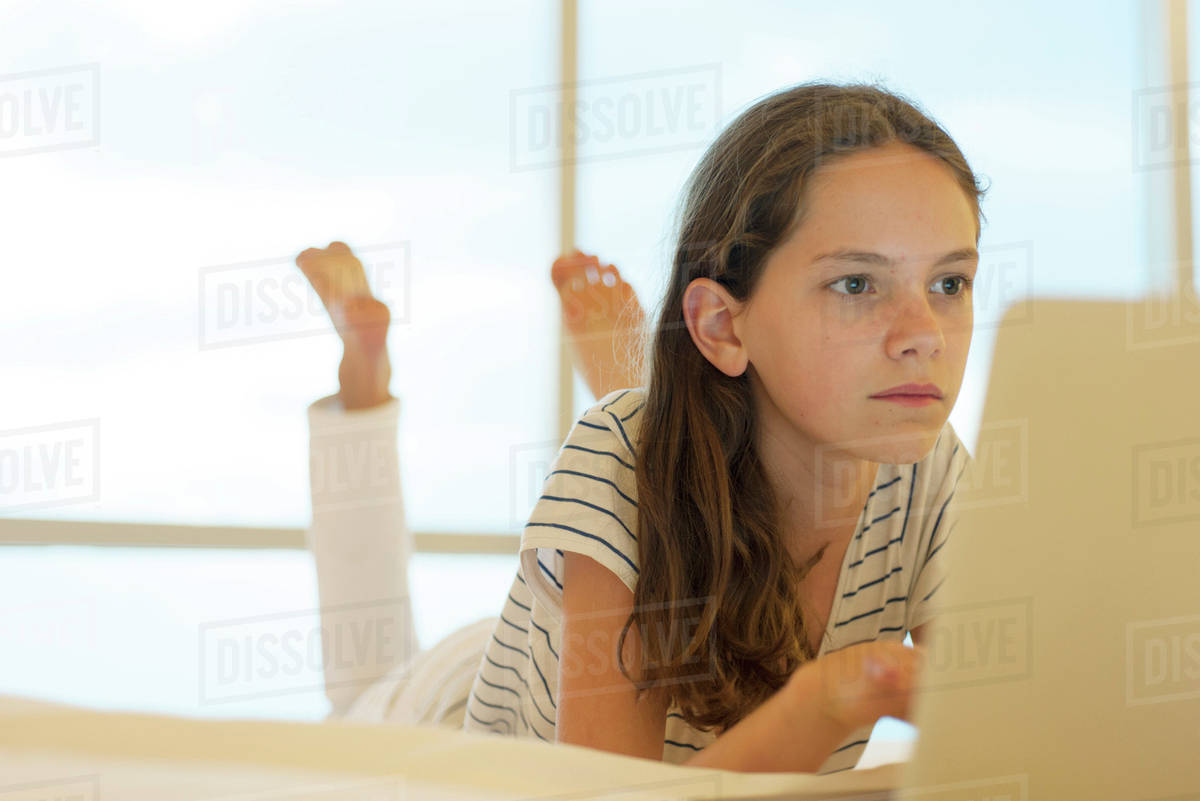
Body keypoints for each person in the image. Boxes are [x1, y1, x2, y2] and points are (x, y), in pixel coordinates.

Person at [302, 80, 980, 775]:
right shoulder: (614, 457)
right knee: (362, 684)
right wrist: (833, 696)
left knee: (644, 449)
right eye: (857, 285)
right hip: (447, 718)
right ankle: (365, 394)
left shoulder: (931, 469)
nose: (924, 335)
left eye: (949, 283)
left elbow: (990, 738)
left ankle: (644, 380)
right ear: (721, 324)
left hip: (582, 628)